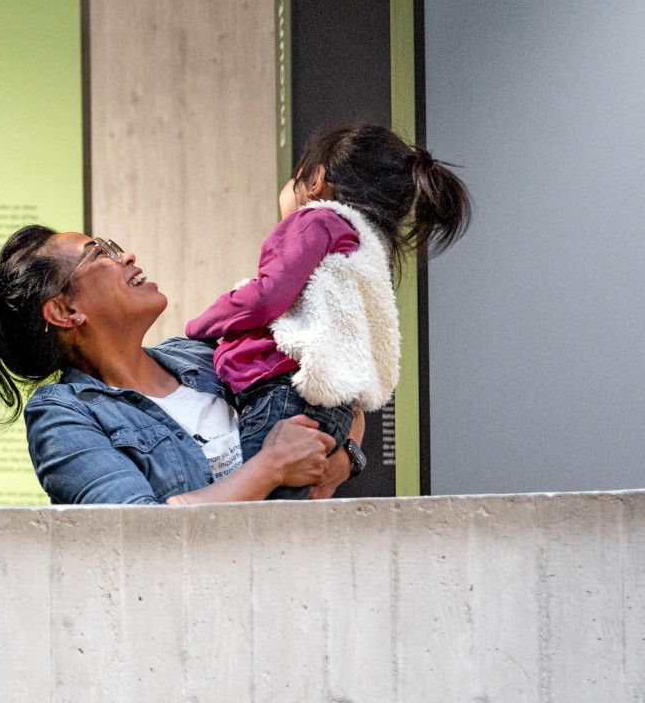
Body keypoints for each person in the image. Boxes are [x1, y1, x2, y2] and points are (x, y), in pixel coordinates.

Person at [0, 225, 358, 506]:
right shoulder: (62, 415)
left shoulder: (201, 354)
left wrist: (344, 458)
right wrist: (272, 468)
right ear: (65, 311)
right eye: (98, 252)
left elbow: (336, 397)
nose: (126, 256)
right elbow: (142, 534)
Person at [185, 124, 471, 497]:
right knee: (288, 517)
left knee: (259, 515)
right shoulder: (364, 244)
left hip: (283, 394)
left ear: (317, 178)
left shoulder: (315, 219)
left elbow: (268, 296)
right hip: (329, 407)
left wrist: (202, 323)